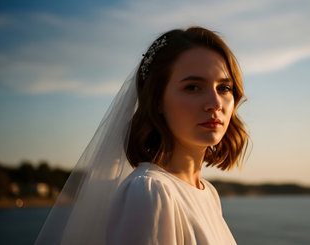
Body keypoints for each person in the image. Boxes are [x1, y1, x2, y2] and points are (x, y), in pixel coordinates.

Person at [35, 26, 248, 245]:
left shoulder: (208, 194)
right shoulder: (150, 192)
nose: (215, 103)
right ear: (157, 101)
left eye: (224, 88)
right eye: (193, 87)